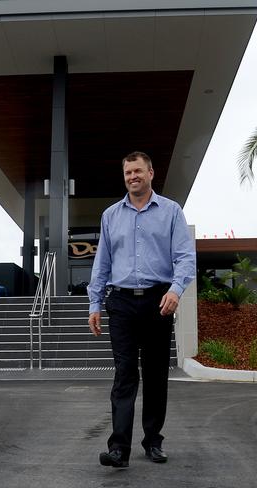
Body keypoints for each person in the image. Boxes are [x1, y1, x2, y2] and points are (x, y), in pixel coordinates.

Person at [87, 151, 195, 468]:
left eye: (137, 171)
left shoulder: (171, 211)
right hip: (120, 302)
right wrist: (95, 303)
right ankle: (119, 448)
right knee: (124, 374)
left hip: (157, 301)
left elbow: (185, 257)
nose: (132, 176)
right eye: (127, 173)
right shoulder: (110, 216)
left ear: (150, 172)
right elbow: (101, 263)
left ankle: (152, 442)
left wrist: (176, 290)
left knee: (155, 374)